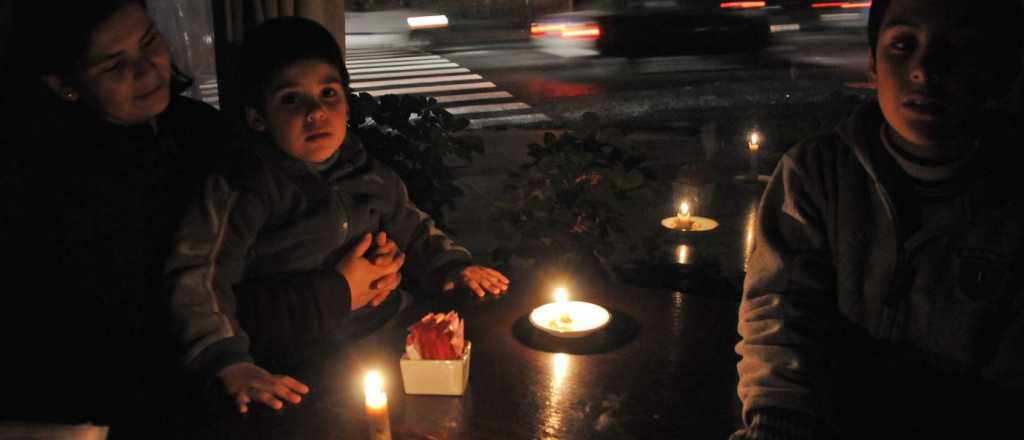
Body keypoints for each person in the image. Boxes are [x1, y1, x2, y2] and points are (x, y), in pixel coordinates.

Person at [164, 16, 511, 415]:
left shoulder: (364, 169)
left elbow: (411, 225)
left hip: (389, 334)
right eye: (291, 99)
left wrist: (452, 267)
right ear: (257, 116)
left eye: (328, 93)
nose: (316, 112)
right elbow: (199, 276)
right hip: (300, 362)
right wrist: (226, 360)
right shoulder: (243, 187)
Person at [732, 0, 1024, 438]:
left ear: (997, 71)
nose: (924, 70)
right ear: (872, 63)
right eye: (903, 45)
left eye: (959, 49)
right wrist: (778, 421)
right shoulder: (817, 175)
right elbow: (780, 316)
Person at [1, 0, 234, 436]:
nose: (147, 70)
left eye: (149, 41)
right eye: (113, 65)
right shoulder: (49, 187)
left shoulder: (202, 130)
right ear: (63, 84)